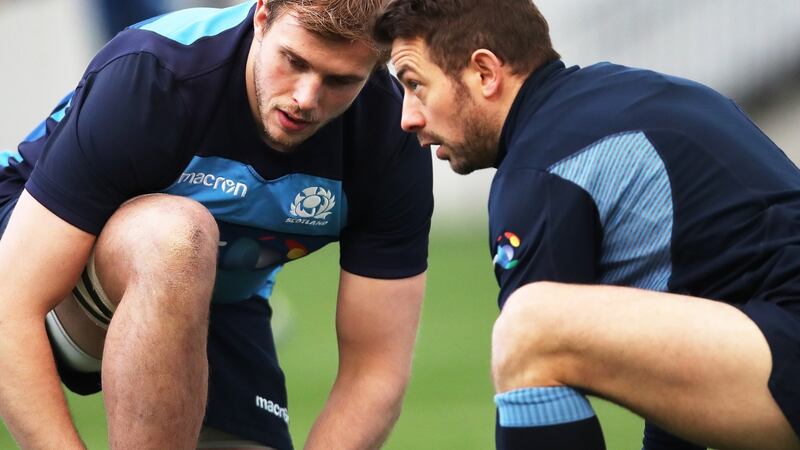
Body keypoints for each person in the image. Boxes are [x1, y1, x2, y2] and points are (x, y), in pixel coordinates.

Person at [0, 0, 432, 449]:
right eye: (294, 61)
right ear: (261, 15)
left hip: (220, 297)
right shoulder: (156, 75)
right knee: (176, 236)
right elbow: (10, 301)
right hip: (38, 255)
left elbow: (375, 370)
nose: (306, 98)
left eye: (340, 80)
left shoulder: (391, 134)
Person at [375, 1, 800, 449]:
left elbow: (532, 356)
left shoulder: (540, 169)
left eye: (415, 85)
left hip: (786, 339)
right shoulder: (632, 92)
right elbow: (682, 344)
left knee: (530, 330)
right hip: (773, 337)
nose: (408, 117)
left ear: (484, 72)